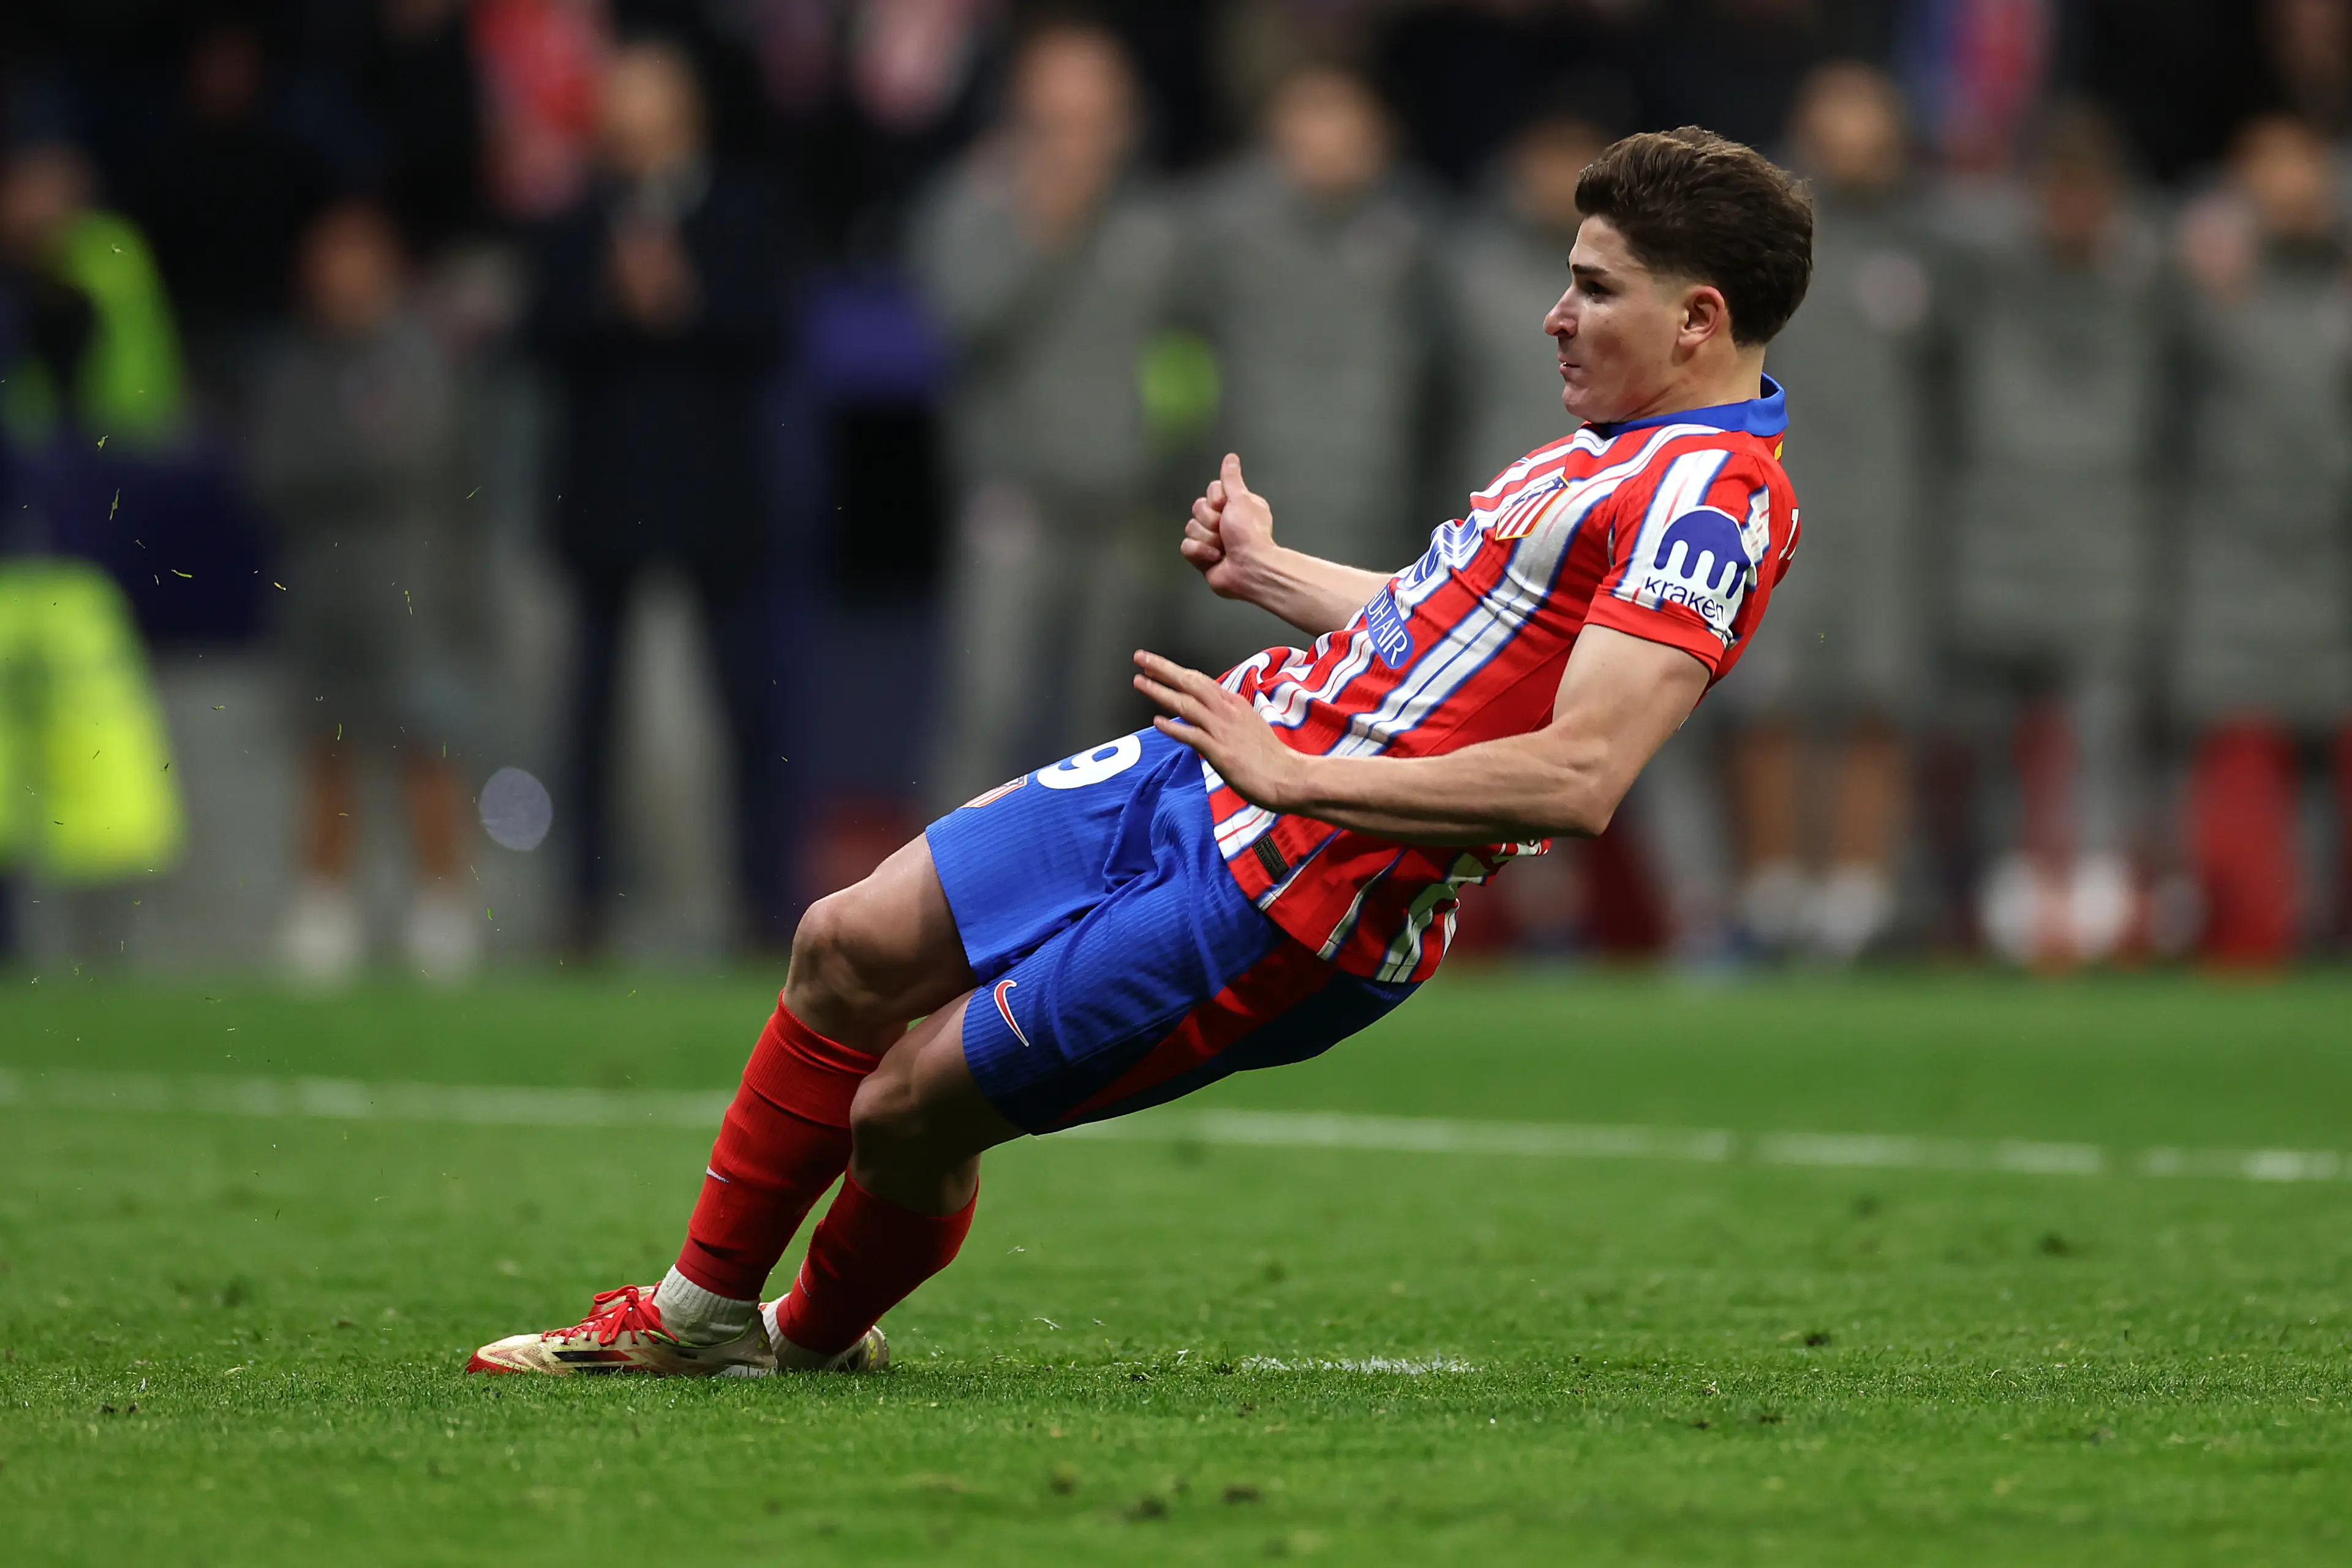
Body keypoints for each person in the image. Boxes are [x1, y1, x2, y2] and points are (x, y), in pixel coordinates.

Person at [467, 127, 1813, 1378]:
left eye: (1594, 288)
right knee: (846, 942)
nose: (1557, 314)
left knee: (905, 1111)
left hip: (1303, 892)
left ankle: (801, 1342)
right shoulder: (1607, 449)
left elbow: (1581, 773)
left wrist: (1301, 777)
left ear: (1699, 319)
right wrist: (1274, 573)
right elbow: (1452, 628)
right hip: (1221, 762)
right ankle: (696, 1315)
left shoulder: (1710, 501)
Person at [530, 39, 793, 952]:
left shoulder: (746, 208)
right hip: (608, 497)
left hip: (717, 497)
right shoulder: (574, 218)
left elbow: (773, 330)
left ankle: (761, 901)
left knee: (747, 710)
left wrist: (687, 300)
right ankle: (583, 905)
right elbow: (539, 336)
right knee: (590, 721)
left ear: (687, 114)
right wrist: (611, 299)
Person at [914, 21, 1180, 809]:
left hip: (1125, 516)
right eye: (1056, 119)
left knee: (1102, 738)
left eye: (1097, 118)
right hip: (1013, 508)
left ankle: (1081, 893)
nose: (1077, 141)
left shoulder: (1159, 223)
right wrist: (1043, 226)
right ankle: (946, 888)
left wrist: (1164, 457)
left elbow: (1191, 362)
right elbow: (962, 319)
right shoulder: (974, 205)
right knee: (986, 717)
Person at [1939, 105, 2166, 967]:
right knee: (1995, 736)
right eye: (2057, 191)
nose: (2072, 209)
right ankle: (2010, 899)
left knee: (2104, 734)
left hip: (2108, 545)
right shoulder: (1982, 278)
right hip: (1997, 541)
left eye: (2088, 192)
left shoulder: (2153, 286)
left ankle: (2103, 899)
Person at [1722, 62, 1940, 961]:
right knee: (1766, 700)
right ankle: (1772, 895)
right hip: (1768, 499)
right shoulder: (1752, 239)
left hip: (1887, 511)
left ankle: (1860, 897)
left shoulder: (1934, 245)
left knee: (1876, 700)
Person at [249, 201, 477, 984]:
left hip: (411, 585)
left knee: (427, 741)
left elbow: (413, 458)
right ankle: (324, 909)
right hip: (320, 587)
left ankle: (443, 909)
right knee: (327, 747)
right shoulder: (294, 363)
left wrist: (333, 462)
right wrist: (351, 459)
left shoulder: (418, 356)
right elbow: (269, 469)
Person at [1170, 64, 1441, 668]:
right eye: (1312, 112)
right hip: (1248, 513)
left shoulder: (1419, 239)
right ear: (1274, 126)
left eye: (1345, 114)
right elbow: (1169, 359)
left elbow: (1440, 390)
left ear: (1380, 131)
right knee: (1229, 700)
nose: (1328, 135)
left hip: (1374, 528)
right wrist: (1180, 452)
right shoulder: (1215, 231)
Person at [2170, 115, 2352, 964]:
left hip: (2336, 553)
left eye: (2302, 168)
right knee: (2240, 744)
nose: (2289, 188)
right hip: (2232, 553)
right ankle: (2247, 935)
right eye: (2269, 170)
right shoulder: (2199, 280)